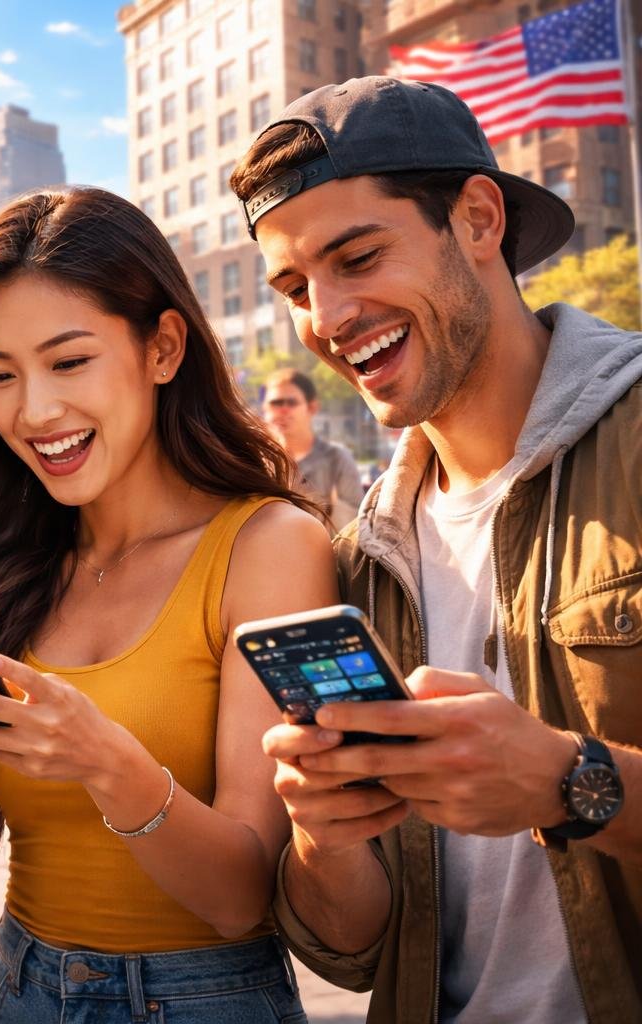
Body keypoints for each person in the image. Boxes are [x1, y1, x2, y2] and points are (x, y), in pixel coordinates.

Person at [0, 187, 335, 1021]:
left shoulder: (267, 547)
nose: (35, 411)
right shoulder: (3, 563)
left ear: (163, 346)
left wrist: (104, 762)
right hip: (12, 990)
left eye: (69, 361)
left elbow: (240, 899)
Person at [231, 76, 642, 1022]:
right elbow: (351, 950)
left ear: (480, 219)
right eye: (294, 287)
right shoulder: (358, 563)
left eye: (359, 255)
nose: (327, 317)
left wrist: (573, 781)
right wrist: (324, 838)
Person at [261, 367, 363, 533]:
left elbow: (354, 527)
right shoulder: (257, 464)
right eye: (275, 403)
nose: (282, 410)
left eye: (291, 402)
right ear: (265, 410)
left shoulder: (337, 459)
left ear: (312, 408)